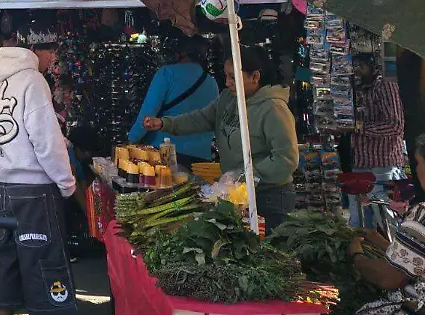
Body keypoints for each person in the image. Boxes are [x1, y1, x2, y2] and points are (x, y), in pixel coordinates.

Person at [143, 46, 299, 230]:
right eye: (226, 76)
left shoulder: (273, 108)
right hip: (237, 193)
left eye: (233, 77)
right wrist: (165, 123)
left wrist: (244, 175)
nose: (227, 83)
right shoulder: (228, 99)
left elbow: (286, 159)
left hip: (269, 197)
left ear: (255, 77)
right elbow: (202, 118)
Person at [0, 30, 78, 315]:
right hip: (34, 190)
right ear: (36, 50)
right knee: (43, 262)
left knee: (5, 260)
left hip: (0, 188)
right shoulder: (33, 80)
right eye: (51, 53)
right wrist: (67, 183)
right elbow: (46, 140)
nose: (52, 60)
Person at [348, 126, 425, 315]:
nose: (417, 170)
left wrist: (356, 256)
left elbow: (389, 278)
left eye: (418, 163)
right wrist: (382, 243)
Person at [128, 38, 220, 166]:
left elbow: (148, 114)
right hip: (201, 158)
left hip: (166, 154)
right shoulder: (211, 82)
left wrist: (131, 140)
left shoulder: (167, 73)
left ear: (179, 54)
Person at [349, 53, 407, 226]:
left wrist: (359, 128)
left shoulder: (385, 87)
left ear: (372, 66)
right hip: (361, 165)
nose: (356, 70)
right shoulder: (360, 90)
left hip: (383, 166)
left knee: (388, 222)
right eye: (354, 66)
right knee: (360, 222)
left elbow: (395, 125)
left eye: (360, 66)